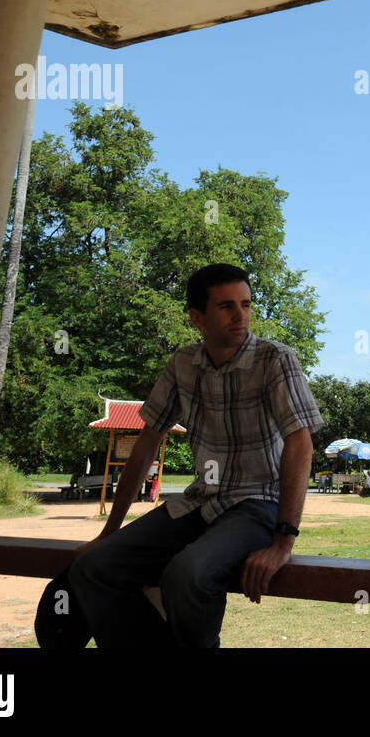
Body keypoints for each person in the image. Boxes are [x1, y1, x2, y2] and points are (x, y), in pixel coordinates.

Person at [69, 263, 323, 647]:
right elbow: (146, 443)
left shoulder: (275, 360)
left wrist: (282, 543)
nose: (241, 316)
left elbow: (300, 443)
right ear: (197, 318)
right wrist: (109, 530)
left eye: (246, 304)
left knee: (187, 575)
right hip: (199, 503)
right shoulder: (183, 365)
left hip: (258, 504)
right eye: (226, 306)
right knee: (92, 567)